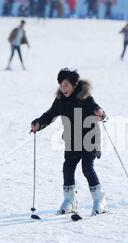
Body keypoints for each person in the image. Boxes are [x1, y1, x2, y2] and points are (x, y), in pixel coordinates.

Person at [30, 69, 107, 216]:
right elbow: (50, 114)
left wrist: (100, 112)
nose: (63, 88)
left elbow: (97, 108)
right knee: (68, 167)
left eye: (66, 85)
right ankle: (69, 201)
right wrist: (39, 123)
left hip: (90, 138)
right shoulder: (60, 100)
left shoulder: (85, 97)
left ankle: (99, 200)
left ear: (74, 84)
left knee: (87, 167)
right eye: (61, 85)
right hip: (72, 140)